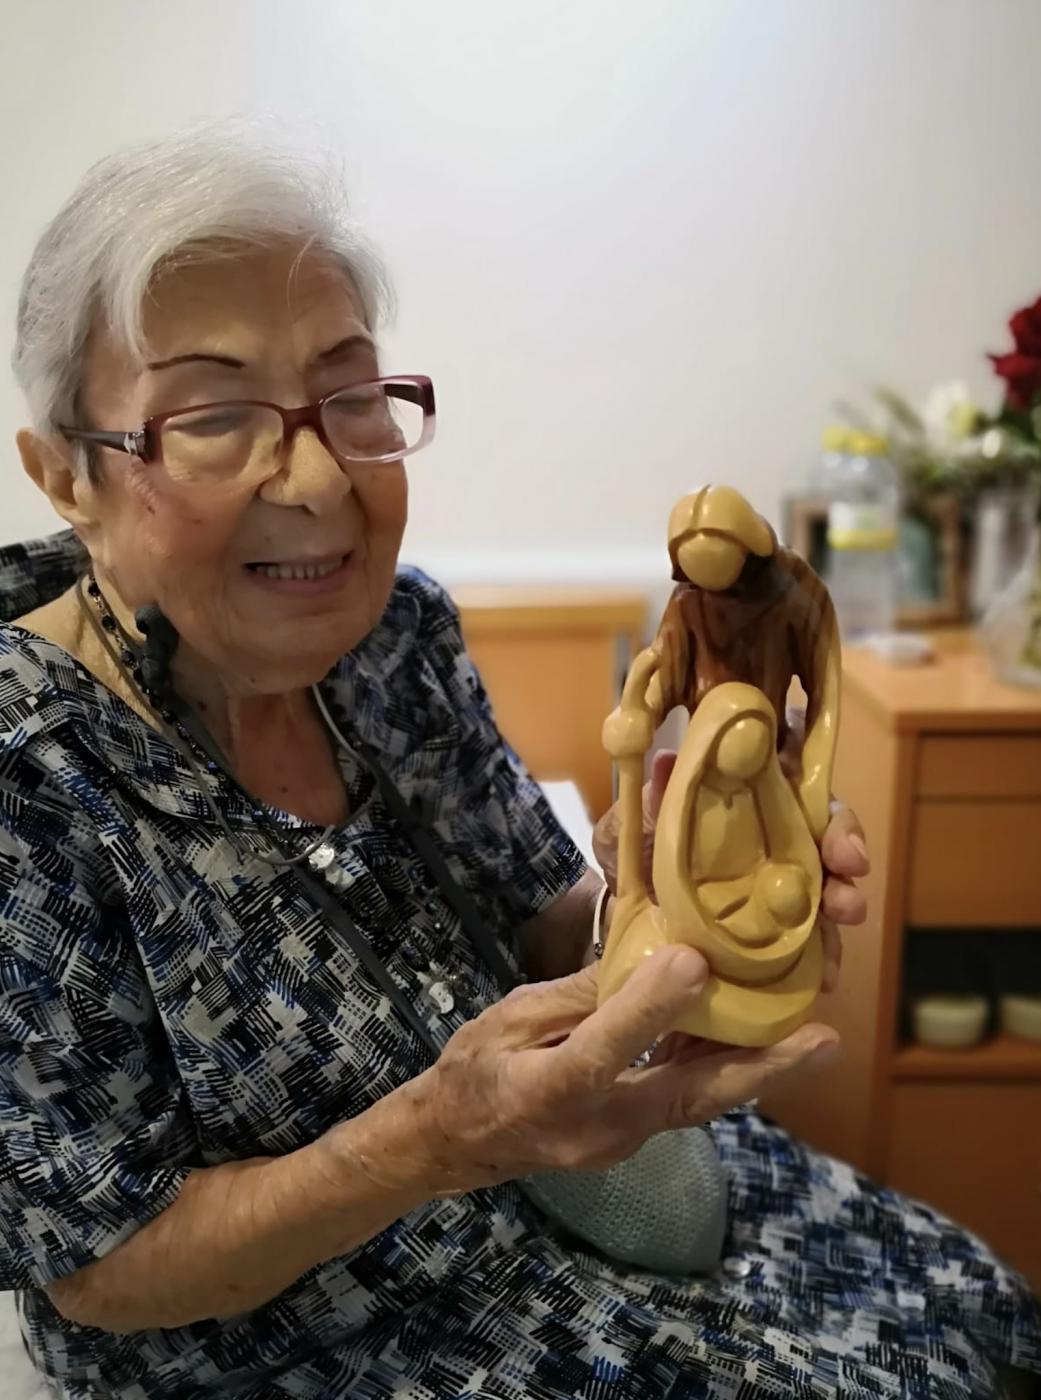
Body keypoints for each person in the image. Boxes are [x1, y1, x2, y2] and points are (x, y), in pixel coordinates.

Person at [0, 129, 1036, 1400]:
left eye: (352, 395)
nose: (320, 474)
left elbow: (547, 923)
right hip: (301, 1336)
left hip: (558, 1195)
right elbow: (98, 1260)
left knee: (985, 1307)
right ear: (65, 474)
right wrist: (437, 1141)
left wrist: (664, 884)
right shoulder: (30, 776)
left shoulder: (394, 637)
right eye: (214, 415)